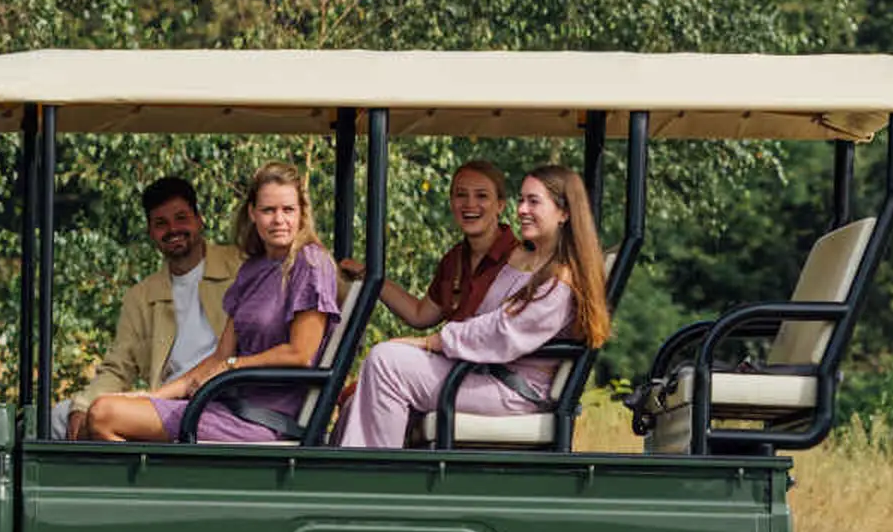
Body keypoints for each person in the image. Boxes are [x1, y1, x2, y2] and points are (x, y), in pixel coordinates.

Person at [337, 162, 608, 448]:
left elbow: (502, 331)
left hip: (512, 389)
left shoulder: (559, 281)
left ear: (564, 212)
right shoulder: (527, 262)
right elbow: (476, 319)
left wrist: (433, 342)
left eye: (533, 202)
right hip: (485, 375)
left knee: (386, 362)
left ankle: (374, 476)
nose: (522, 211)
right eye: (521, 200)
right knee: (380, 366)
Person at [82, 164, 341, 443]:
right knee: (100, 413)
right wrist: (153, 396)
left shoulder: (310, 263)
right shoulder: (253, 269)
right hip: (224, 406)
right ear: (253, 214)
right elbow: (219, 357)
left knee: (103, 415)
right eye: (268, 210)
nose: (279, 220)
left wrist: (234, 365)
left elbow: (300, 354)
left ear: (302, 213)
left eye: (288, 210)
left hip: (263, 420)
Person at [54, 178, 244, 437]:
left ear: (199, 220)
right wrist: (82, 405)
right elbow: (118, 367)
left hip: (221, 396)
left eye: (181, 218)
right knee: (59, 417)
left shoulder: (240, 268)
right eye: (161, 224)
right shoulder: (142, 296)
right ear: (150, 232)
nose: (173, 229)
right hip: (164, 401)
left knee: (103, 416)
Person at [346, 159, 517, 331]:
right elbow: (419, 315)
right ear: (451, 202)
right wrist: (368, 275)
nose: (470, 204)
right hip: (455, 354)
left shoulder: (520, 258)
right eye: (461, 195)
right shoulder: (455, 259)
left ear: (500, 205)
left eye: (482, 196)